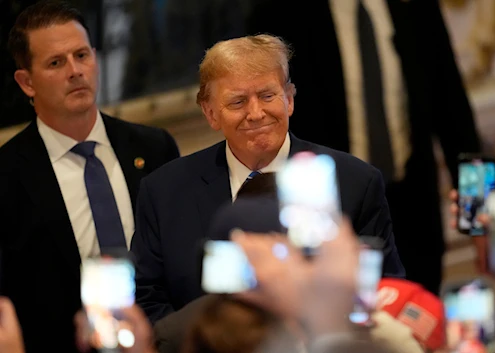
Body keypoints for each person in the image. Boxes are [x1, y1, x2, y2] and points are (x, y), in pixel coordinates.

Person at [131, 34, 405, 324]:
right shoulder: (164, 192)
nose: (256, 113)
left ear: (289, 99)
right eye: (237, 102)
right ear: (211, 113)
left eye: (267, 95)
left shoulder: (354, 183)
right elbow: (147, 299)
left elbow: (384, 292)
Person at [246, 0, 481, 294]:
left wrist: (479, 216)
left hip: (413, 220)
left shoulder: (414, 7)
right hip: (327, 229)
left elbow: (454, 111)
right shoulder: (280, 13)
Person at [0, 2, 180, 352]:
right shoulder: (7, 175)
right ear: (26, 82)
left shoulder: (154, 148)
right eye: (56, 62)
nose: (75, 70)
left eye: (82, 55)